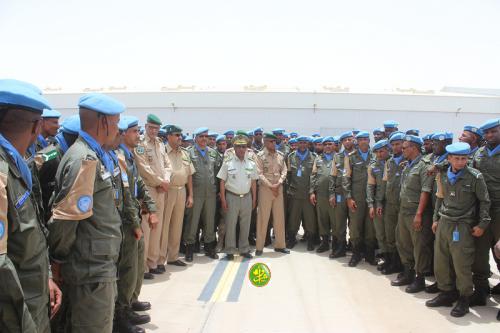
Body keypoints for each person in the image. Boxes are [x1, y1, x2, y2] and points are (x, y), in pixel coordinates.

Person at [48, 93, 125, 333]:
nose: (117, 129)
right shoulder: (85, 159)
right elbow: (67, 219)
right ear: (103, 123)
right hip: (90, 270)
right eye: (116, 122)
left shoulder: (92, 155)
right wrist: (57, 260)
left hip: (96, 266)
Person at [0, 79, 61, 332]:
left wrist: (45, 276)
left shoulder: (16, 161)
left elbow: (31, 231)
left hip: (32, 293)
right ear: (37, 126)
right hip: (16, 311)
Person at [425, 142, 490, 318]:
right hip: (444, 221)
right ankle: (447, 292)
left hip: (462, 224)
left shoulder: (474, 177)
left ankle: (464, 298)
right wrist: (435, 219)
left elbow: (484, 201)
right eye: (457, 158)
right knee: (441, 261)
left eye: (464, 158)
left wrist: (482, 224)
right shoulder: (444, 174)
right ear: (450, 159)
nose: (461, 162)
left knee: (462, 263)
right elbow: (440, 197)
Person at [116, 116, 158, 333]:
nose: (138, 135)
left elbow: (139, 185)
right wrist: (135, 224)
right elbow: (124, 197)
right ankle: (121, 316)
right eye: (134, 131)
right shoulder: (117, 157)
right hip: (126, 222)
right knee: (127, 270)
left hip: (135, 219)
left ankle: (130, 302)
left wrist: (151, 209)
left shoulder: (129, 156)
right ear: (123, 133)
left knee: (136, 267)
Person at [391, 135, 434, 294]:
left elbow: (425, 191)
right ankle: (407, 273)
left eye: (404, 147)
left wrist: (419, 214)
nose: (401, 150)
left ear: (413, 148)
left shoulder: (424, 166)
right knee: (404, 243)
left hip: (416, 213)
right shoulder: (407, 165)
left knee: (419, 246)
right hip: (404, 211)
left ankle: (420, 278)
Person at [134, 114, 171, 278]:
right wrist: (159, 181)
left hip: (162, 189)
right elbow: (143, 167)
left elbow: (167, 164)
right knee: (147, 227)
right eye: (151, 127)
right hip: (148, 189)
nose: (154, 131)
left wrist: (166, 180)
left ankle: (153, 262)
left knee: (158, 227)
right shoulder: (140, 144)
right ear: (146, 127)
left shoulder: (160, 144)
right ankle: (143, 267)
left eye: (157, 128)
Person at [471, 118, 500, 306]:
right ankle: (481, 291)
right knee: (479, 253)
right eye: (486, 133)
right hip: (482, 210)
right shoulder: (479, 153)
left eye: (494, 131)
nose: (489, 135)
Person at [217, 135, 259, 260]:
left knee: (246, 225)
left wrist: (254, 199)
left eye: (244, 146)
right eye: (239, 146)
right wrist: (223, 199)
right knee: (230, 224)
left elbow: (253, 183)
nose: (241, 149)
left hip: (247, 197)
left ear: (247, 148)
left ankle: (244, 248)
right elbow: (222, 182)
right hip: (232, 197)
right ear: (234, 148)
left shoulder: (251, 164)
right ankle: (229, 250)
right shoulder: (228, 163)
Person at [184, 127, 221, 262]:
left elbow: (217, 172)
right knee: (192, 221)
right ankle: (189, 248)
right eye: (201, 136)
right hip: (196, 192)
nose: (204, 139)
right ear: (195, 138)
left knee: (210, 221)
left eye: (206, 136)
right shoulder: (189, 153)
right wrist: (189, 194)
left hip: (210, 193)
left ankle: (209, 247)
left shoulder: (213, 153)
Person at [159, 125, 195, 267]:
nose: (180, 138)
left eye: (180, 135)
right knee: (164, 226)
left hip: (181, 191)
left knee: (177, 225)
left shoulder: (184, 153)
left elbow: (189, 175)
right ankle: (161, 259)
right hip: (167, 191)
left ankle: (173, 256)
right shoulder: (162, 152)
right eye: (176, 135)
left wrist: (190, 195)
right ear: (168, 136)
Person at [343, 131, 376, 266]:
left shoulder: (375, 156)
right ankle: (356, 254)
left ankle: (369, 255)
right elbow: (346, 179)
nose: (363, 141)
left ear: (369, 141)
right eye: (360, 139)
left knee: (370, 228)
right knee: (355, 227)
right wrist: (349, 198)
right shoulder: (351, 157)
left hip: (371, 199)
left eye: (365, 139)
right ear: (357, 141)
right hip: (356, 198)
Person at [255, 133, 289, 255]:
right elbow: (259, 173)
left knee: (279, 218)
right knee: (263, 218)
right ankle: (259, 247)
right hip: (266, 189)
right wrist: (271, 186)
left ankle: (280, 245)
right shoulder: (260, 156)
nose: (273, 144)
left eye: (275, 142)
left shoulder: (280, 155)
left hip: (278, 188)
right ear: (265, 142)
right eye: (271, 142)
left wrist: (279, 183)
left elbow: (284, 170)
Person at [380, 132, 405, 274]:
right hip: (389, 204)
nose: (395, 147)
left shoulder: (408, 162)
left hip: (403, 205)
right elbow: (384, 184)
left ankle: (403, 265)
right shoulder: (389, 162)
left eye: (398, 144)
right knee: (390, 235)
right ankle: (392, 262)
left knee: (401, 238)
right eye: (393, 144)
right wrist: (380, 203)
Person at [286, 136, 317, 250]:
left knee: (310, 219)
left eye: (305, 143)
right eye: (300, 143)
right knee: (293, 218)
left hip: (308, 194)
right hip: (295, 194)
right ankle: (292, 239)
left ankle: (310, 240)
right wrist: (289, 190)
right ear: (297, 144)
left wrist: (313, 191)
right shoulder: (291, 157)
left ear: (308, 144)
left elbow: (315, 176)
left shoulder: (313, 157)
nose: (302, 145)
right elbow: (288, 175)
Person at [328, 131, 355, 258]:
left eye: (349, 139)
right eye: (345, 140)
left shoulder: (357, 155)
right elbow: (332, 176)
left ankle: (355, 249)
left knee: (354, 225)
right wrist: (331, 193)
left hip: (354, 196)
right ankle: (341, 248)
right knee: (340, 223)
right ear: (342, 143)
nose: (347, 142)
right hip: (339, 194)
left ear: (353, 140)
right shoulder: (337, 157)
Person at [310, 136, 336, 253]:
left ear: (334, 145)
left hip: (334, 195)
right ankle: (324, 242)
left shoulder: (339, 158)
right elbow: (313, 175)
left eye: (330, 144)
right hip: (320, 194)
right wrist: (312, 192)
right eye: (325, 144)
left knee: (336, 219)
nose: (327, 146)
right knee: (322, 219)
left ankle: (337, 244)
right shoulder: (318, 159)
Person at [367, 139, 390, 269]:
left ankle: (394, 259)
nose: (379, 154)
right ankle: (385, 257)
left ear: (388, 150)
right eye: (377, 152)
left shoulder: (394, 163)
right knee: (380, 233)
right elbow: (370, 186)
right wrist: (371, 204)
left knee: (391, 233)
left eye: (382, 151)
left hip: (391, 203)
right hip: (378, 203)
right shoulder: (373, 166)